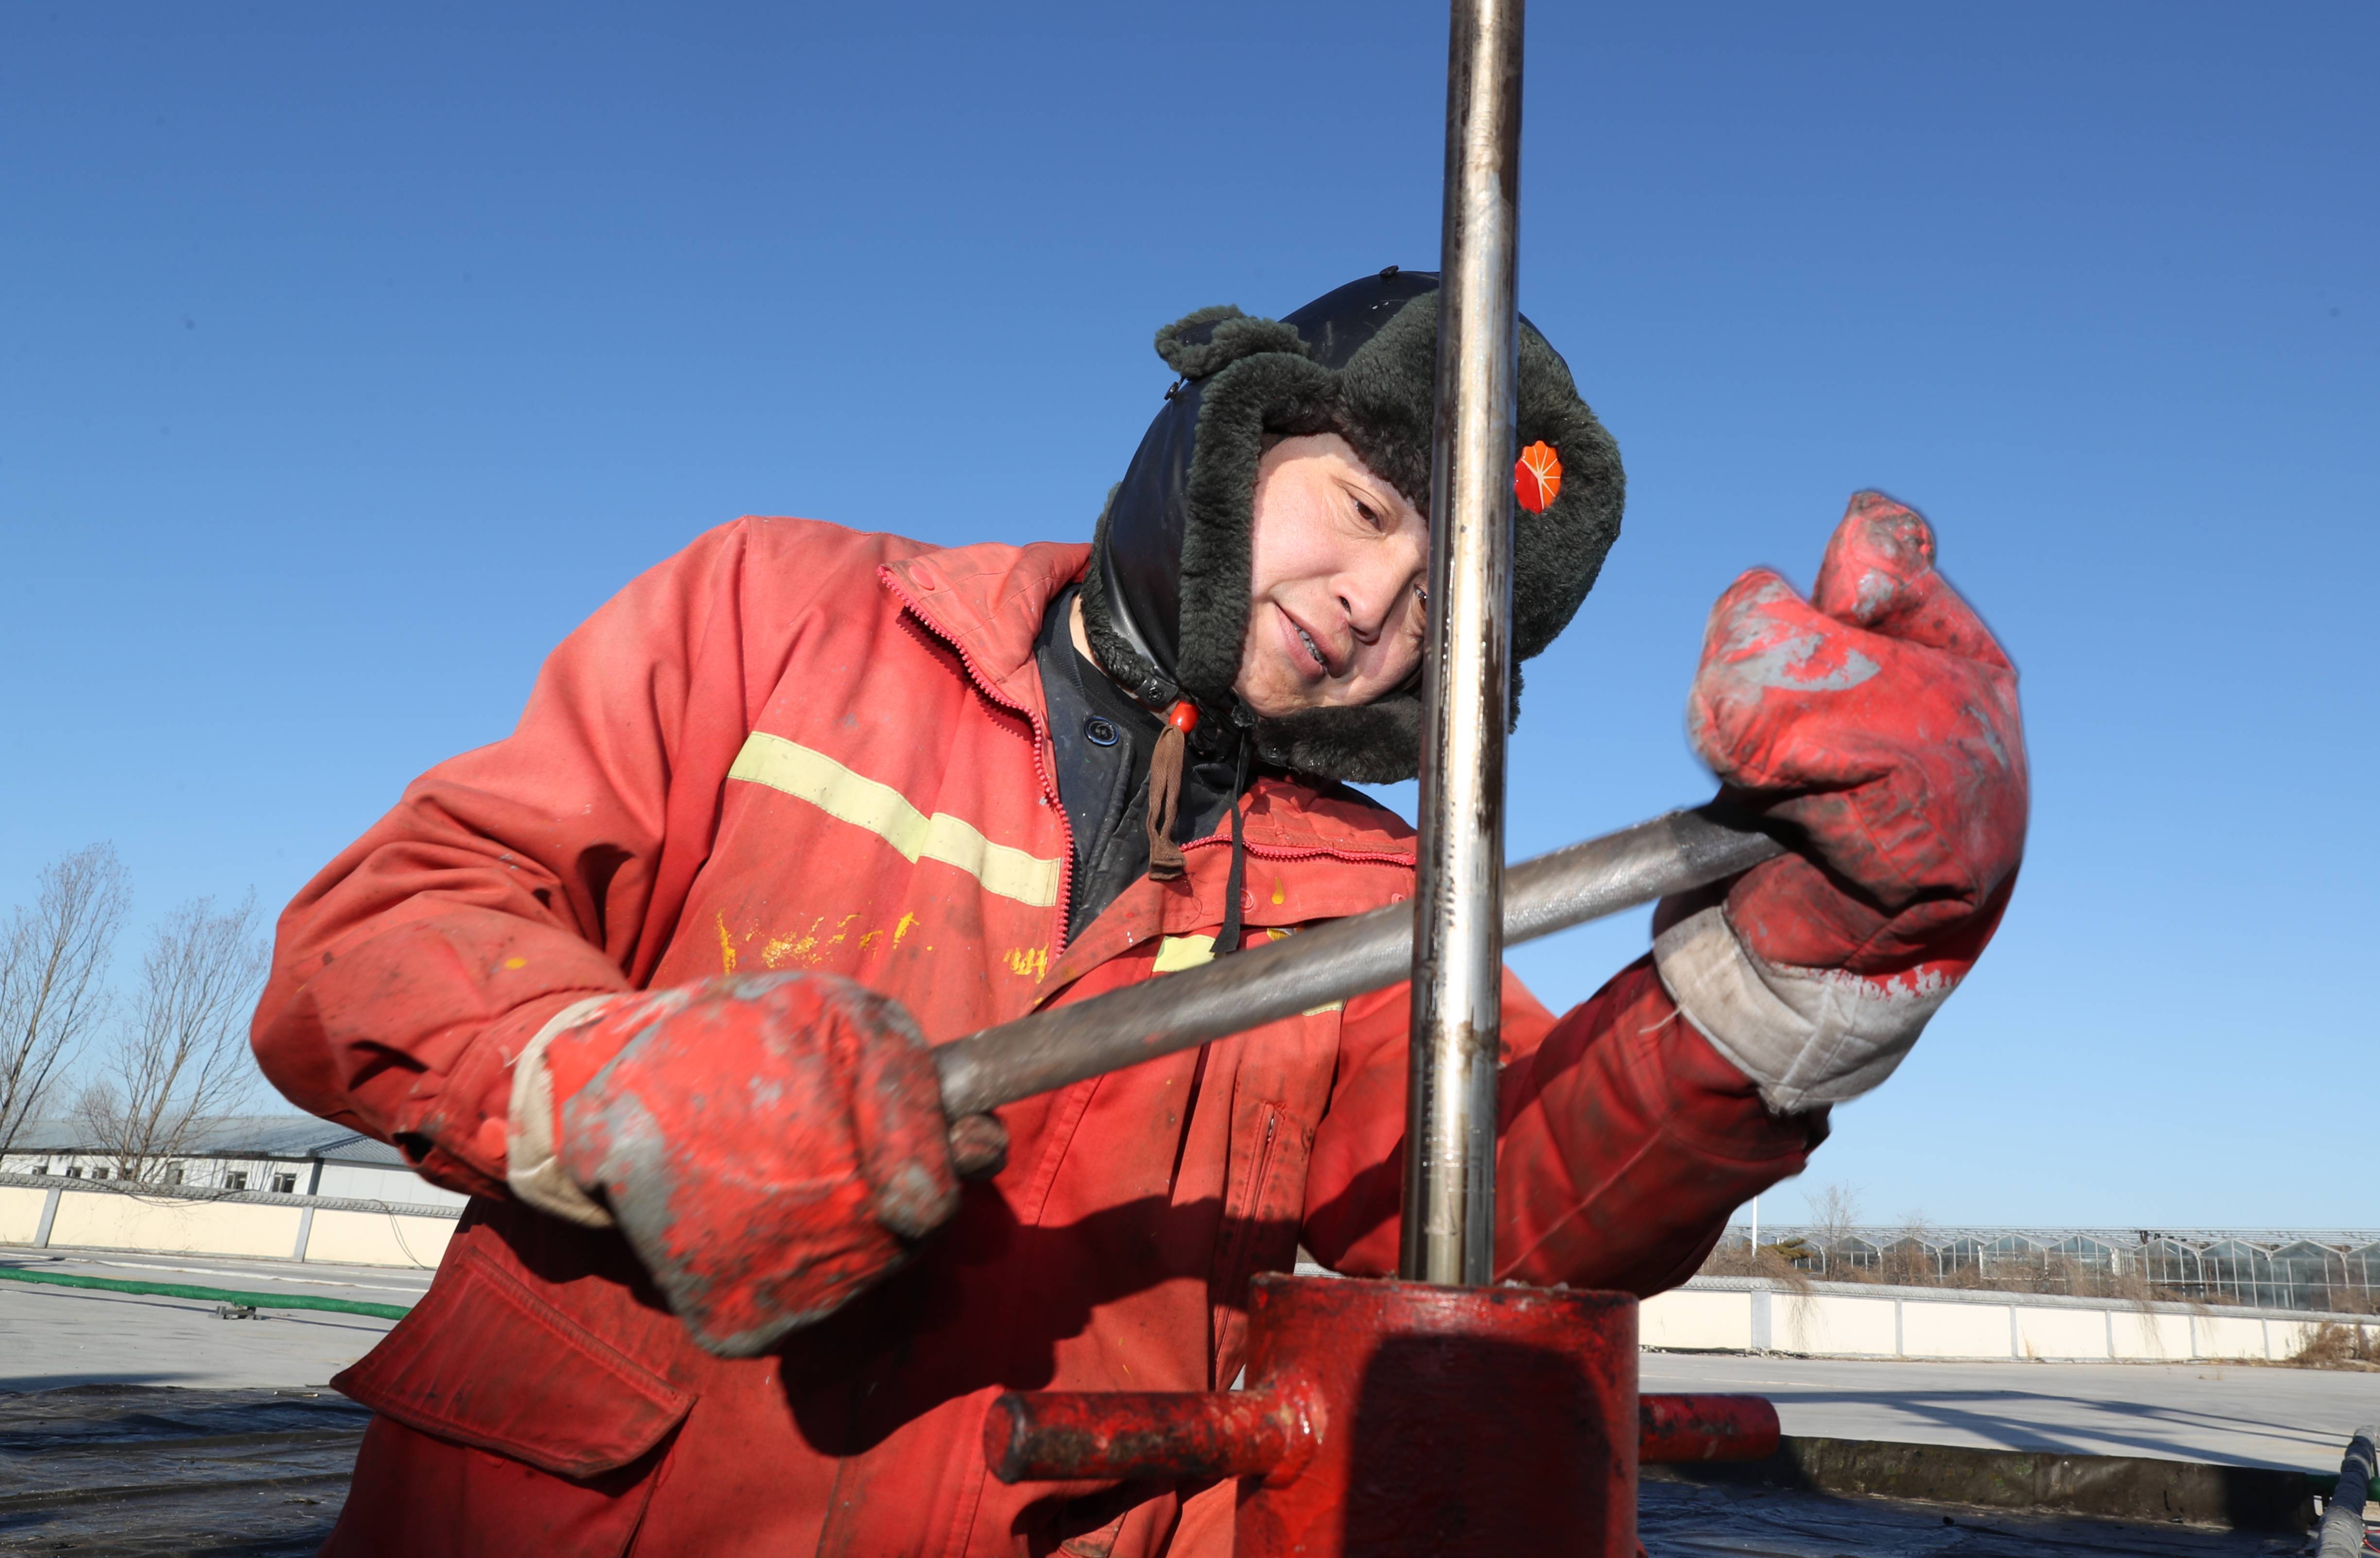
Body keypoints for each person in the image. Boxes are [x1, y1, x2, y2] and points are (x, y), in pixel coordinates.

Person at [257, 269, 2029, 1557]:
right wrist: (601, 1086)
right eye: (1360, 507)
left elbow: (1506, 1219)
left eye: (1445, 598)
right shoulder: (784, 620)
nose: (1371, 607)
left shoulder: (1384, 897)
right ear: (1234, 434)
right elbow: (376, 938)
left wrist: (1799, 976)